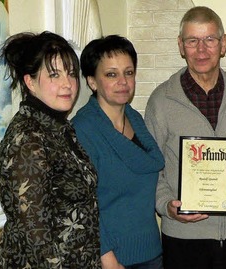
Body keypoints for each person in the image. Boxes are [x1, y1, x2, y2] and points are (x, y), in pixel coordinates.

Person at [144, 6, 226, 269]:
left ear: (223, 44)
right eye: (192, 41)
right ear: (180, 45)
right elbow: (151, 166)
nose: (201, 49)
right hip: (184, 236)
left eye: (210, 39)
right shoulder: (161, 100)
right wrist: (166, 206)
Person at [0, 31, 100, 268]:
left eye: (71, 74)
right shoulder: (28, 138)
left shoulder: (58, 128)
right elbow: (36, 238)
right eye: (54, 75)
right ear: (30, 82)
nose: (67, 84)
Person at [73, 35, 165, 269]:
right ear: (92, 81)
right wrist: (107, 257)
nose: (123, 81)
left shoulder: (136, 119)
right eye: (111, 74)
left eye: (129, 72)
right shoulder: (82, 130)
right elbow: (81, 203)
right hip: (111, 258)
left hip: (151, 251)